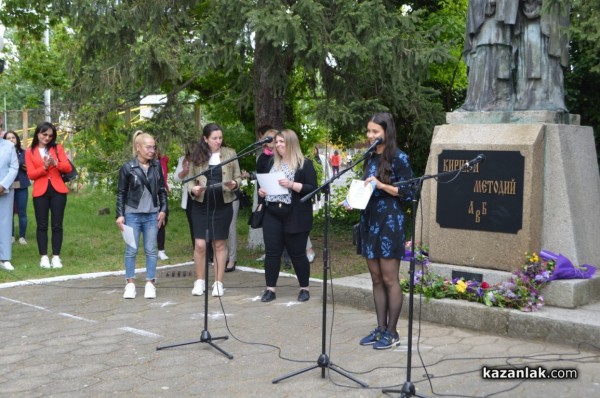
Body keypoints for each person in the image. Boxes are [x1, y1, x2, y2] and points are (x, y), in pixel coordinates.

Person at [343, 112, 413, 349]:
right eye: (368, 131)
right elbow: (366, 187)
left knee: (389, 278)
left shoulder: (399, 157)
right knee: (375, 278)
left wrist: (382, 185)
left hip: (390, 220)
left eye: (375, 131)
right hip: (369, 220)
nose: (370, 135)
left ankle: (392, 332)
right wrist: (353, 200)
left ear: (386, 132)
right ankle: (380, 328)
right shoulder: (370, 156)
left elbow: (409, 192)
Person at [258, 129, 317, 303]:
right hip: (272, 213)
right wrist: (261, 191)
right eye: (276, 142)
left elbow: (312, 189)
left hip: (295, 214)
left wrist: (292, 184)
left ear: (291, 143)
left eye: (282, 142)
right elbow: (263, 186)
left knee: (297, 253)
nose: (278, 145)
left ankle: (304, 288)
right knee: (272, 253)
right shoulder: (271, 163)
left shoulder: (303, 164)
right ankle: (270, 289)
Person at [187, 123, 241, 297]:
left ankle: (218, 283)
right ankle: (200, 281)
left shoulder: (230, 154)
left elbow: (238, 176)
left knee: (219, 243)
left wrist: (235, 184)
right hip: (201, 205)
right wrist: (193, 189)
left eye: (220, 138)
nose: (218, 141)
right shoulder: (197, 155)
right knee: (200, 244)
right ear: (205, 139)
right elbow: (190, 180)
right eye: (214, 138)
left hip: (223, 204)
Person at [116, 131, 168, 299]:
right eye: (148, 147)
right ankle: (130, 283)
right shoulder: (128, 167)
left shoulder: (156, 166)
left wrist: (163, 209)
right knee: (131, 250)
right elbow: (121, 193)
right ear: (138, 148)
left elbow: (161, 189)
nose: (152, 151)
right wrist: (120, 214)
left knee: (151, 250)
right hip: (132, 215)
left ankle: (150, 283)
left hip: (152, 215)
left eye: (153, 147)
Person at [25, 122, 73, 269]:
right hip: (40, 191)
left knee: (57, 225)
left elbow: (68, 167)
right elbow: (31, 174)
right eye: (44, 134)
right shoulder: (29, 151)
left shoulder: (57, 148)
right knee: (42, 225)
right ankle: (44, 256)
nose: (47, 137)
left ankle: (56, 257)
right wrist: (44, 167)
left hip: (58, 190)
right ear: (38, 133)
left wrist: (56, 162)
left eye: (50, 135)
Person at [460, 0, 518, 111]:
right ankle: (476, 101)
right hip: (482, 32)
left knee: (502, 63)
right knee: (481, 64)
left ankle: (502, 100)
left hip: (502, 29)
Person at [4, 131, 31, 245]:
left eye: (13, 137)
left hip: (22, 186)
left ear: (17, 139)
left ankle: (22, 236)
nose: (11, 140)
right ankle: (10, 236)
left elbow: (27, 168)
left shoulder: (24, 153)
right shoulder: (2, 153)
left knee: (22, 212)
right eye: (8, 138)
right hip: (6, 186)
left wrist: (17, 162)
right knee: (8, 212)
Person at [0, 135, 18, 271]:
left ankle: (5, 258)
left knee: (5, 224)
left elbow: (14, 168)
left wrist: (3, 185)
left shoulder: (9, 146)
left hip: (4, 190)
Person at [173, 145, 195, 253]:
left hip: (204, 194)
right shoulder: (183, 159)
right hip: (190, 196)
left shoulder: (206, 157)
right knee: (193, 224)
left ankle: (209, 252)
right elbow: (176, 178)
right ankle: (196, 251)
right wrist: (184, 172)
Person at [156, 148, 170, 260]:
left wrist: (166, 187)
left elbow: (164, 177)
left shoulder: (163, 161)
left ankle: (161, 250)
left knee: (162, 220)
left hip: (162, 193)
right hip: (150, 196)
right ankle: (152, 249)